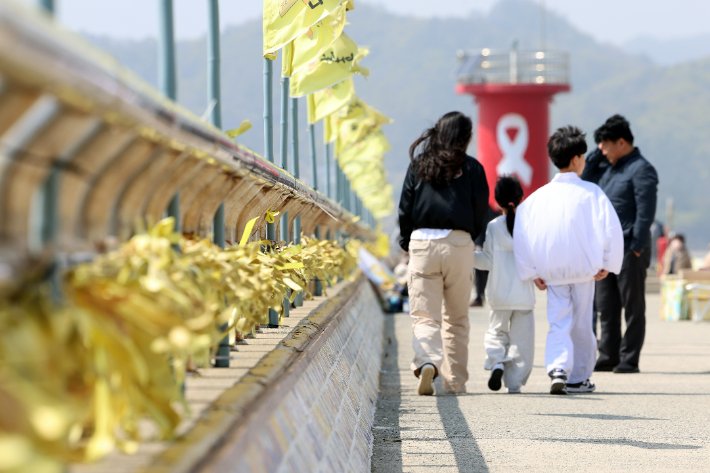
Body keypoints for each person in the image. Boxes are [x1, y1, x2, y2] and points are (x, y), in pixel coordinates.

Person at [514, 125, 623, 394]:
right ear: (575, 159)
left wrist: (531, 270)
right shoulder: (592, 193)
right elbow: (610, 229)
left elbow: (523, 235)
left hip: (552, 270)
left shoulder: (536, 199)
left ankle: (558, 367)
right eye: (583, 157)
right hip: (585, 268)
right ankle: (578, 377)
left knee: (558, 320)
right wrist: (607, 263)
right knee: (583, 323)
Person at [398, 111, 489, 396]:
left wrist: (406, 242)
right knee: (457, 318)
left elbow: (405, 208)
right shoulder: (472, 168)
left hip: (423, 243)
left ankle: (427, 361)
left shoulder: (419, 166)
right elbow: (481, 211)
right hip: (459, 244)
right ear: (465, 138)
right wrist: (468, 237)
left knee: (425, 316)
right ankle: (455, 381)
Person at [592, 114, 659, 374]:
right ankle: (608, 355)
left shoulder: (642, 169)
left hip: (630, 247)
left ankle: (629, 358)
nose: (603, 150)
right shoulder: (607, 168)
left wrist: (638, 246)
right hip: (605, 248)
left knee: (632, 305)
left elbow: (646, 211)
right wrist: (597, 155)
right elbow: (585, 179)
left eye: (606, 145)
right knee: (605, 305)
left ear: (621, 142)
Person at [474, 176, 535, 394]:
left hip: (498, 294)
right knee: (522, 341)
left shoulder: (493, 227)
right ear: (521, 198)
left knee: (496, 332)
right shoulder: (530, 225)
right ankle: (514, 383)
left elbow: (487, 261)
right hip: (524, 295)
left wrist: (468, 255)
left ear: (498, 202)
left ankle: (497, 361)